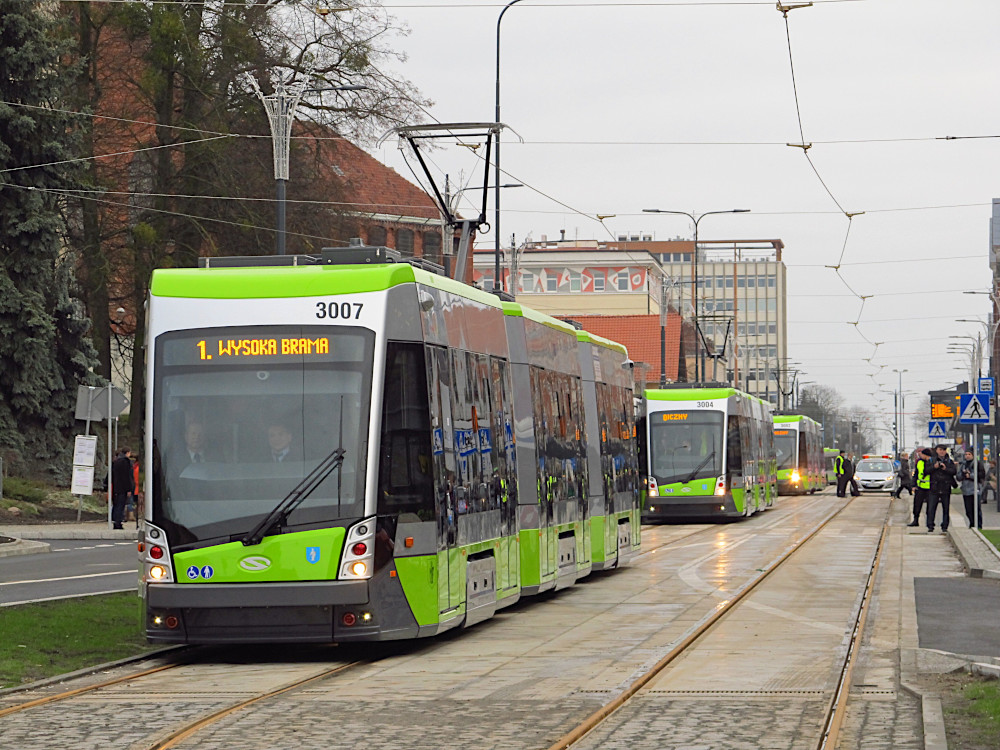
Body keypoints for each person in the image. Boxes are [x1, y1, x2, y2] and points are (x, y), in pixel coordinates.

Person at [926, 443, 957, 533]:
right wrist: (934, 467)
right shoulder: (932, 460)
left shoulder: (949, 461)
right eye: (940, 450)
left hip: (945, 487)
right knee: (931, 508)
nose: (942, 452)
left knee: (946, 508)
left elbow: (953, 471)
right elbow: (926, 471)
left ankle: (945, 526)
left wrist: (945, 469)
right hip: (934, 487)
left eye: (944, 450)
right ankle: (930, 526)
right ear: (936, 450)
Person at [959, 449, 986, 530]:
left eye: (969, 454)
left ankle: (978, 525)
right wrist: (963, 475)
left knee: (976, 508)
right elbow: (958, 476)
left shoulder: (977, 464)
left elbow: (981, 475)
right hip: (965, 490)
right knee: (968, 510)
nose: (967, 456)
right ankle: (972, 523)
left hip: (975, 489)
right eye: (966, 454)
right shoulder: (963, 465)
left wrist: (970, 475)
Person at [110, 447, 135, 530]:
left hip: (116, 487)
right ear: (127, 453)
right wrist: (129, 489)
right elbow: (127, 477)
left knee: (117, 505)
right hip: (123, 487)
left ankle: (116, 521)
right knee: (121, 505)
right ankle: (118, 522)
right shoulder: (126, 462)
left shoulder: (116, 462)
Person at [909, 448, 932, 527]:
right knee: (917, 505)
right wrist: (913, 485)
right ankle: (915, 520)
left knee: (930, 507)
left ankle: (929, 522)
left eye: (921, 454)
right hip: (920, 487)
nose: (920, 455)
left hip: (930, 488)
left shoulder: (932, 462)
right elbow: (916, 474)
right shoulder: (919, 462)